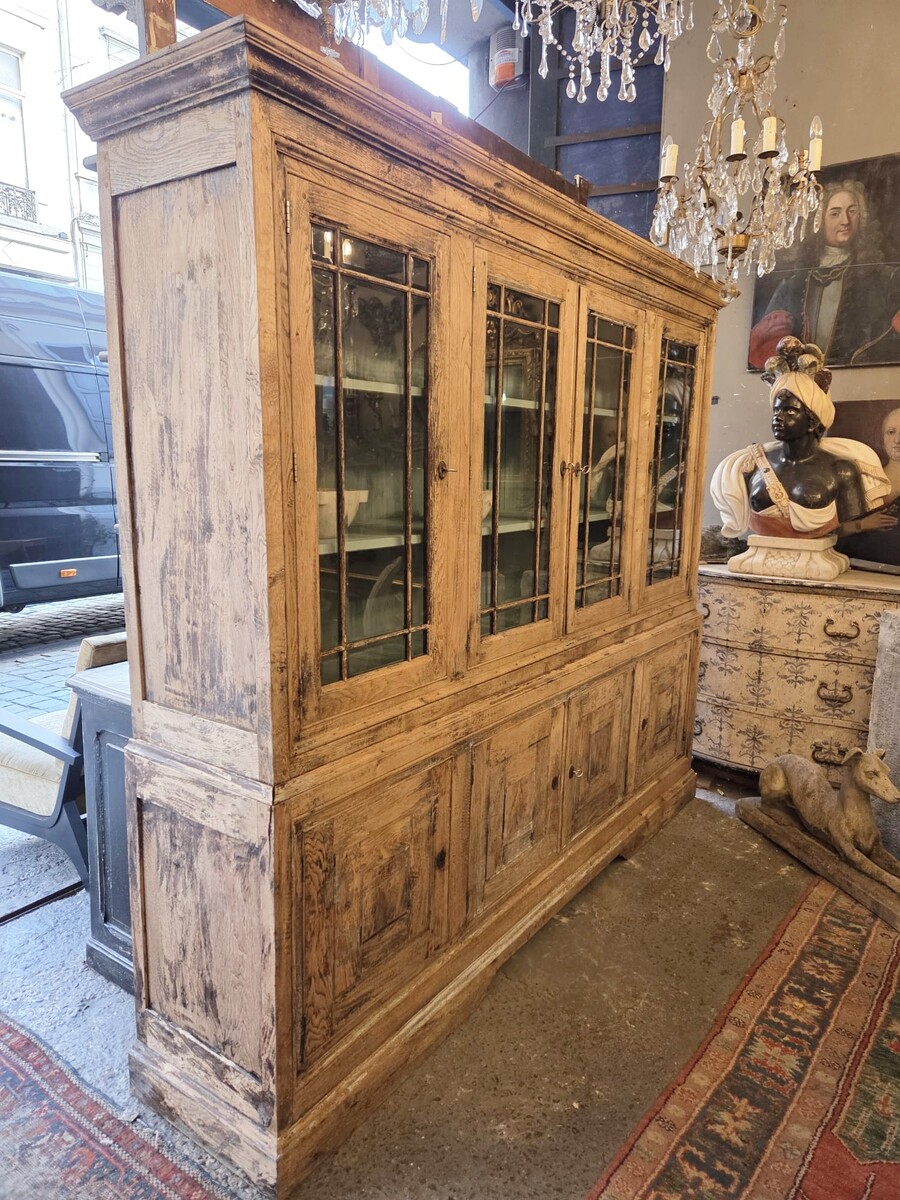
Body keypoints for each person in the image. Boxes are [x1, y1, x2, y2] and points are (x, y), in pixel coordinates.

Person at [712, 337, 890, 578]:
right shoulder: (748, 465)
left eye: (790, 410)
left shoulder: (843, 470)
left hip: (816, 561)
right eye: (776, 410)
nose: (778, 417)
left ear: (813, 420)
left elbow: (850, 513)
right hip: (758, 561)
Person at [748, 179, 900, 368]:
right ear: (817, 222)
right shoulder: (791, 286)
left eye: (852, 211)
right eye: (835, 213)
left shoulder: (885, 278)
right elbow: (765, 351)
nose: (845, 221)